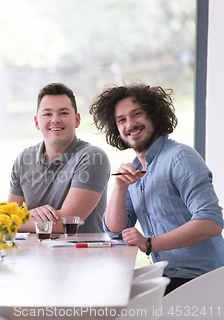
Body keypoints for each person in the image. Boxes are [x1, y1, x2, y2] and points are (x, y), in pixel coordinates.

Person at [89, 83, 224, 294]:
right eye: (121, 120)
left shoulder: (180, 157)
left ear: (154, 115)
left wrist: (149, 243)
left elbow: (210, 223)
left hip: (201, 281)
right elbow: (115, 231)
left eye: (137, 114)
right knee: (104, 295)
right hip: (169, 276)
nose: (130, 124)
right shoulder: (135, 170)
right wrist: (120, 187)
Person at [8, 83, 110, 233]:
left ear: (77, 120)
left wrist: (3, 222)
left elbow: (67, 223)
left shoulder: (92, 157)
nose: (55, 120)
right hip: (34, 254)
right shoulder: (24, 159)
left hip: (83, 254)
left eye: (63, 113)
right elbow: (11, 214)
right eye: (47, 114)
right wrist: (12, 219)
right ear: (37, 122)